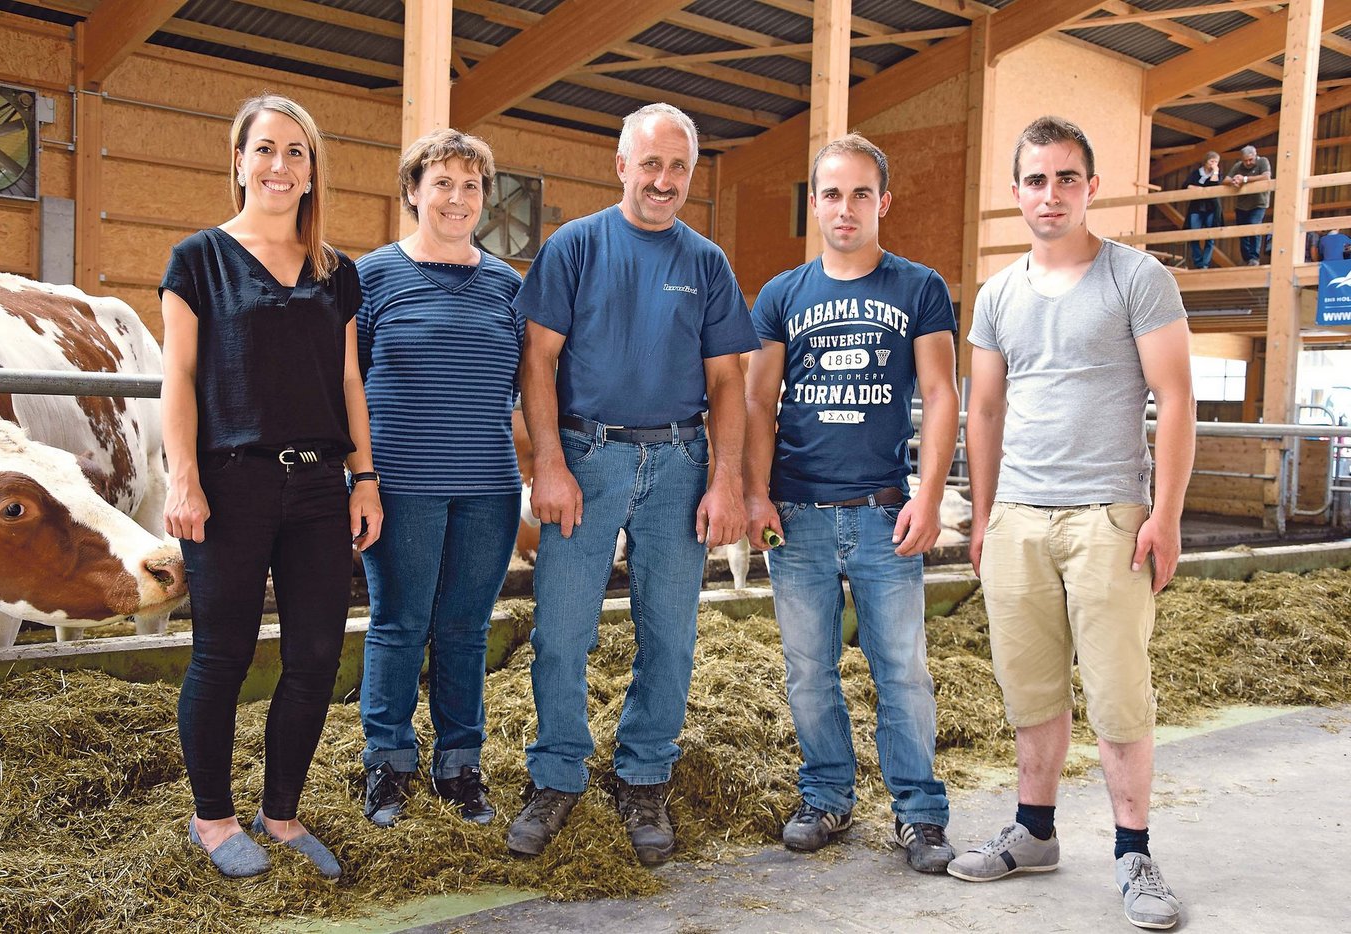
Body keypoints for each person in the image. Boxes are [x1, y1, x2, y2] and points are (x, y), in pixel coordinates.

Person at [952, 116, 1195, 932]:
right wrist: (984, 518)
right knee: (1030, 687)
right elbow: (983, 410)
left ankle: (1134, 852)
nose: (1049, 194)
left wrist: (1164, 515)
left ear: (1090, 187)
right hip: (1019, 515)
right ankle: (1035, 831)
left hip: (1108, 515)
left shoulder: (1137, 277)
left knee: (1119, 692)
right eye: (1034, 180)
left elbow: (1177, 400)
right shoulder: (998, 294)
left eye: (1065, 178)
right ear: (1015, 191)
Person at [505, 102, 759, 866]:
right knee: (562, 632)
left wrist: (727, 484)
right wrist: (547, 463)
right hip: (588, 457)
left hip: (679, 465)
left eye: (678, 167)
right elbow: (537, 361)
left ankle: (644, 776)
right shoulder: (575, 247)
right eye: (650, 163)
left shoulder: (707, 262)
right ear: (622, 166)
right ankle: (556, 775)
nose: (664, 180)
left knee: (671, 638)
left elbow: (727, 381)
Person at [160, 94, 383, 881]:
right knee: (221, 654)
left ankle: (279, 813)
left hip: (321, 485)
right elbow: (179, 381)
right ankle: (213, 819)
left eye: (296, 152)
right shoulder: (199, 260)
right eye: (265, 149)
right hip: (230, 483)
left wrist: (365, 478)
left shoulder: (337, 272)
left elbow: (351, 382)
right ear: (238, 160)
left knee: (317, 653)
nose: (280, 166)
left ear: (313, 169)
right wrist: (182, 479)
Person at [743, 134, 959, 872]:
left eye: (861, 194)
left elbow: (940, 394)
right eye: (831, 194)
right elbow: (758, 400)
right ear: (815, 203)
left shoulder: (919, 287)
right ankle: (829, 796)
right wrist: (756, 495)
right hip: (797, 516)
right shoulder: (780, 295)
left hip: (882, 512)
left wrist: (929, 496)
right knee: (810, 669)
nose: (845, 208)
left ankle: (920, 814)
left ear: (883, 203)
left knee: (902, 669)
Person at [354, 128, 523, 828]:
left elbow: (523, 384)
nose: (457, 198)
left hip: (488, 485)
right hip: (400, 482)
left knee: (464, 628)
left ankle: (460, 765)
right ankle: (387, 765)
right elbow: (346, 383)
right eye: (443, 183)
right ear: (414, 192)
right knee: (398, 624)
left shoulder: (509, 284)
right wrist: (361, 477)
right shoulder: (373, 276)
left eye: (472, 185)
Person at [1223, 144, 1272, 265]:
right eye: (1245, 160)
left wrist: (1244, 179)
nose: (1248, 163)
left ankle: (1254, 258)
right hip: (1242, 204)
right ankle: (1247, 258)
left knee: (1254, 227)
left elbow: (1266, 177)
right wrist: (1235, 180)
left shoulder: (1263, 161)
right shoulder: (1238, 166)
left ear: (1255, 156)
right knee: (1242, 231)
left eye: (1250, 160)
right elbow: (1225, 180)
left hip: (1259, 203)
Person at [1182, 151, 1222, 269]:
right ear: (1206, 161)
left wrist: (1215, 171)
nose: (1213, 163)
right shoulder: (1196, 173)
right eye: (1211, 161)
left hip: (1211, 207)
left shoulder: (1217, 173)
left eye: (1216, 162)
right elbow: (1186, 185)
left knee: (1210, 236)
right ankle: (1198, 261)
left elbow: (1215, 185)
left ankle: (1205, 263)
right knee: (1194, 234)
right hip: (1196, 207)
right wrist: (1199, 189)